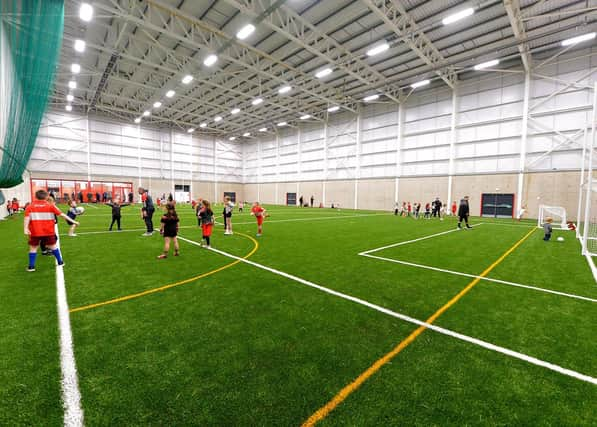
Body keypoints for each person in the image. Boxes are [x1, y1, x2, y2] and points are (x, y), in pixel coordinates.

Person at [24, 189, 79, 272]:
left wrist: (25, 228)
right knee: (53, 246)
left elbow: (26, 218)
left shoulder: (30, 207)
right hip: (48, 231)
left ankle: (31, 267)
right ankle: (60, 262)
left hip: (35, 232)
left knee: (33, 248)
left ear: (35, 196)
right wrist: (74, 221)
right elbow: (62, 215)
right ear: (46, 197)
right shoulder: (50, 206)